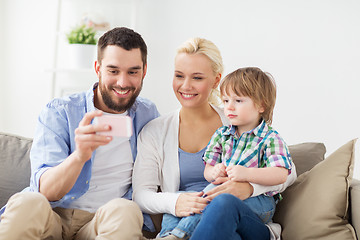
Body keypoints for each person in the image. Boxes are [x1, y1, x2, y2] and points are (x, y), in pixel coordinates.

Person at [0, 27, 159, 240]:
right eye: (113, 71)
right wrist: (79, 156)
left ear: (144, 71)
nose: (122, 82)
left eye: (132, 72)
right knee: (26, 202)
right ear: (97, 68)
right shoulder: (59, 111)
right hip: (52, 216)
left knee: (125, 210)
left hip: (103, 222)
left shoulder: (148, 114)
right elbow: (45, 190)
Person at [132, 38, 297, 240]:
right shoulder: (155, 132)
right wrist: (176, 203)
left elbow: (288, 173)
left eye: (197, 78)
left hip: (240, 216)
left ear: (216, 80)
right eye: (179, 75)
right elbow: (140, 195)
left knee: (223, 204)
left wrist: (249, 187)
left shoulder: (240, 118)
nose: (186, 85)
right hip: (194, 220)